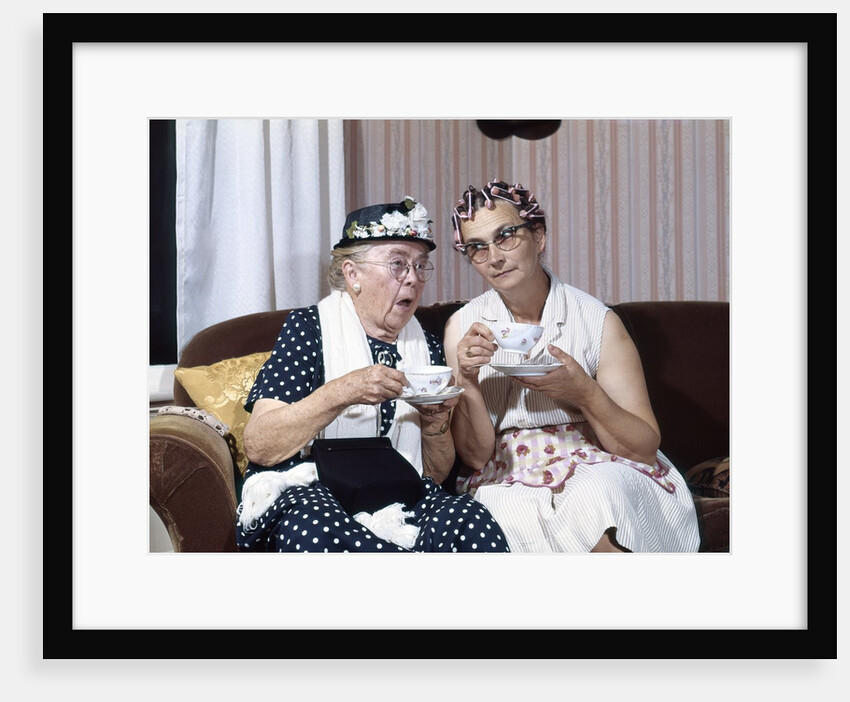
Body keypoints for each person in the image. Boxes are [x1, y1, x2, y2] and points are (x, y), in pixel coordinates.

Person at [235, 196, 510, 553]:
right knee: (313, 527)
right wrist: (344, 391)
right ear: (353, 275)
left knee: (469, 518)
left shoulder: (426, 346)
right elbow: (260, 445)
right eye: (398, 264)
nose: (413, 279)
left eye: (420, 266)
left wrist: (435, 423)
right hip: (316, 491)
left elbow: (435, 475)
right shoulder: (309, 329)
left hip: (401, 495)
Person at [443, 180, 700, 553]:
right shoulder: (462, 327)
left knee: (596, 491)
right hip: (507, 470)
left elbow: (643, 447)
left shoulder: (597, 321)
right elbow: (475, 457)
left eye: (506, 236)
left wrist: (584, 392)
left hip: (598, 460)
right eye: (477, 247)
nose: (494, 257)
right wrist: (466, 378)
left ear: (538, 236)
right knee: (503, 508)